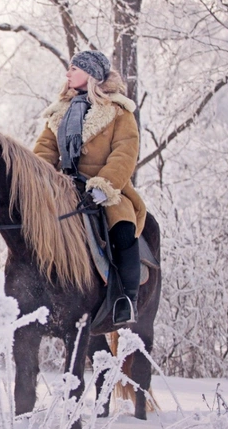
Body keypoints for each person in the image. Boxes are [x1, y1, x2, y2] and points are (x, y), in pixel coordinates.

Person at [33, 50, 146, 327]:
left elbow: (124, 153)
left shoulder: (119, 112)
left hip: (106, 189)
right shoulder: (58, 112)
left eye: (74, 68)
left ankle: (125, 299)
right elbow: (44, 151)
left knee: (122, 228)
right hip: (63, 187)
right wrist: (35, 182)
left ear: (91, 74)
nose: (68, 73)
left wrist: (102, 187)